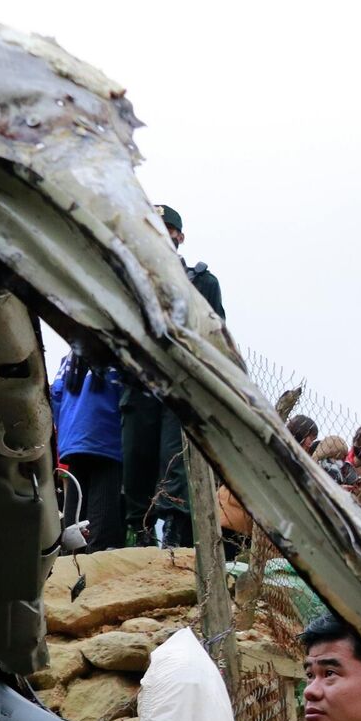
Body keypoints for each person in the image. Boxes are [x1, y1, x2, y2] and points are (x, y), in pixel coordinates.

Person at [121, 204, 223, 547]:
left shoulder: (202, 282)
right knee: (136, 462)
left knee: (173, 462)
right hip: (140, 384)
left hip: (180, 387)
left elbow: (216, 335)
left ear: (180, 236)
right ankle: (140, 535)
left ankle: (174, 539)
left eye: (167, 228)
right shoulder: (127, 280)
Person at [49, 348, 125, 551]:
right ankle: (99, 559)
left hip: (72, 440)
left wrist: (65, 429)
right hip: (106, 436)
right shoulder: (115, 351)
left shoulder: (69, 358)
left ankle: (73, 563)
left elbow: (55, 395)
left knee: (75, 518)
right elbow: (126, 394)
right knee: (102, 520)